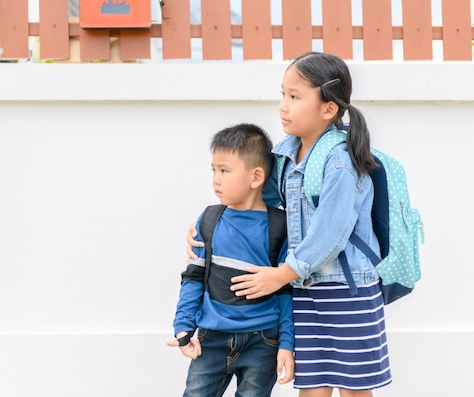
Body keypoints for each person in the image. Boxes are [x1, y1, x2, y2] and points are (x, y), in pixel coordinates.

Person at [187, 52, 392, 396]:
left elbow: (331, 232)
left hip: (348, 288)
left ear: (328, 108)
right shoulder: (285, 154)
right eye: (283, 94)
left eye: (295, 97)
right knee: (312, 386)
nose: (283, 105)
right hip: (306, 290)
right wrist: (206, 229)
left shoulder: (341, 160)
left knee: (355, 387)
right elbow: (256, 205)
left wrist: (282, 273)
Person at [168, 123, 295, 396]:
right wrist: (183, 326)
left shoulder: (280, 226)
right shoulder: (210, 220)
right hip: (210, 339)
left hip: (263, 342)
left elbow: (286, 291)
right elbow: (193, 277)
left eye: (224, 170)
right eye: (213, 170)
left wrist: (287, 343)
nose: (216, 179)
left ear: (256, 176)